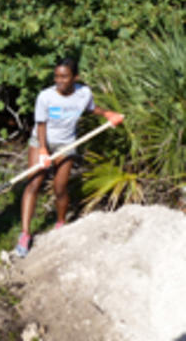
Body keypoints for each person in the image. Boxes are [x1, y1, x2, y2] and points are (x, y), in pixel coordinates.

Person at [15, 58, 124, 258]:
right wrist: (42, 151)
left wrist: (108, 114)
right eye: (56, 76)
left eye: (64, 76)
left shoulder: (84, 94)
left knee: (60, 187)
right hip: (41, 142)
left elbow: (91, 108)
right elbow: (40, 125)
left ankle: (60, 224)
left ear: (75, 77)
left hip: (67, 144)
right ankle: (25, 234)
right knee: (33, 184)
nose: (59, 80)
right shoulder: (45, 97)